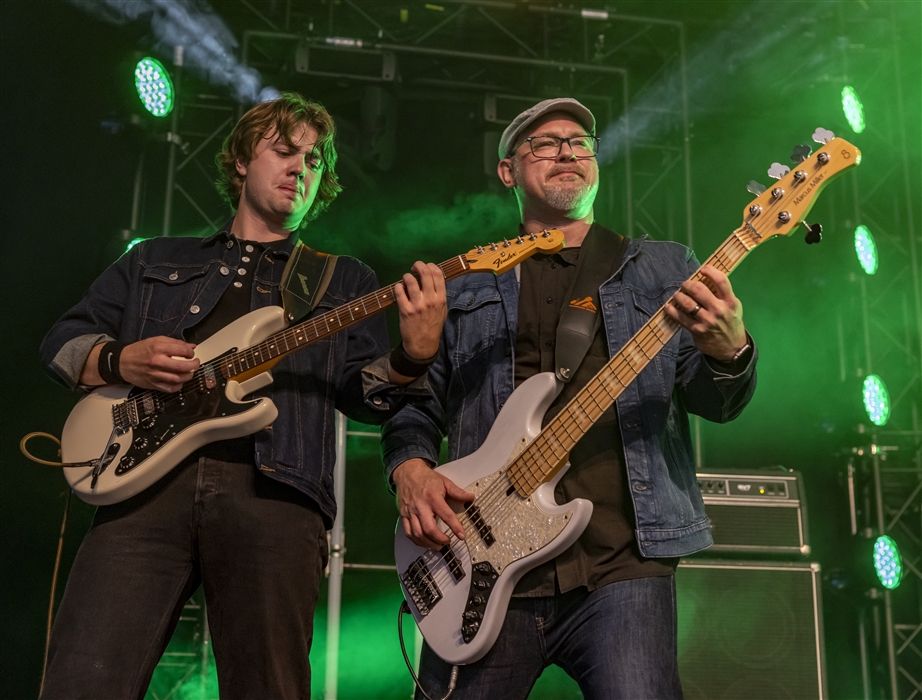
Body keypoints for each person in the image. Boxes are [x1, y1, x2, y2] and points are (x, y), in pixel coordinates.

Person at [39, 92, 446, 699]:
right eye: (284, 152)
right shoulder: (155, 258)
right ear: (239, 161)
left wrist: (413, 356)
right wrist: (120, 358)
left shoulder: (343, 279)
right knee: (82, 680)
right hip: (140, 491)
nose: (300, 169)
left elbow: (367, 396)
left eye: (314, 164)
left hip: (276, 494)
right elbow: (60, 342)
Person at [382, 98, 757, 699]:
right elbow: (414, 404)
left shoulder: (663, 268)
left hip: (621, 563)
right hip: (477, 562)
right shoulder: (469, 281)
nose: (566, 151)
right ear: (508, 171)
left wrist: (728, 349)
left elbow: (718, 402)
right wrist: (410, 470)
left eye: (580, 142)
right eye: (545, 143)